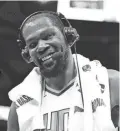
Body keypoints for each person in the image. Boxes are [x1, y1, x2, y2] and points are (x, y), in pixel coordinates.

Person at [7, 11, 119, 131]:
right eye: (33, 44)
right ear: (27, 55)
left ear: (68, 36)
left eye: (48, 36)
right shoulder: (19, 105)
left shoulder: (111, 83)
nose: (41, 47)